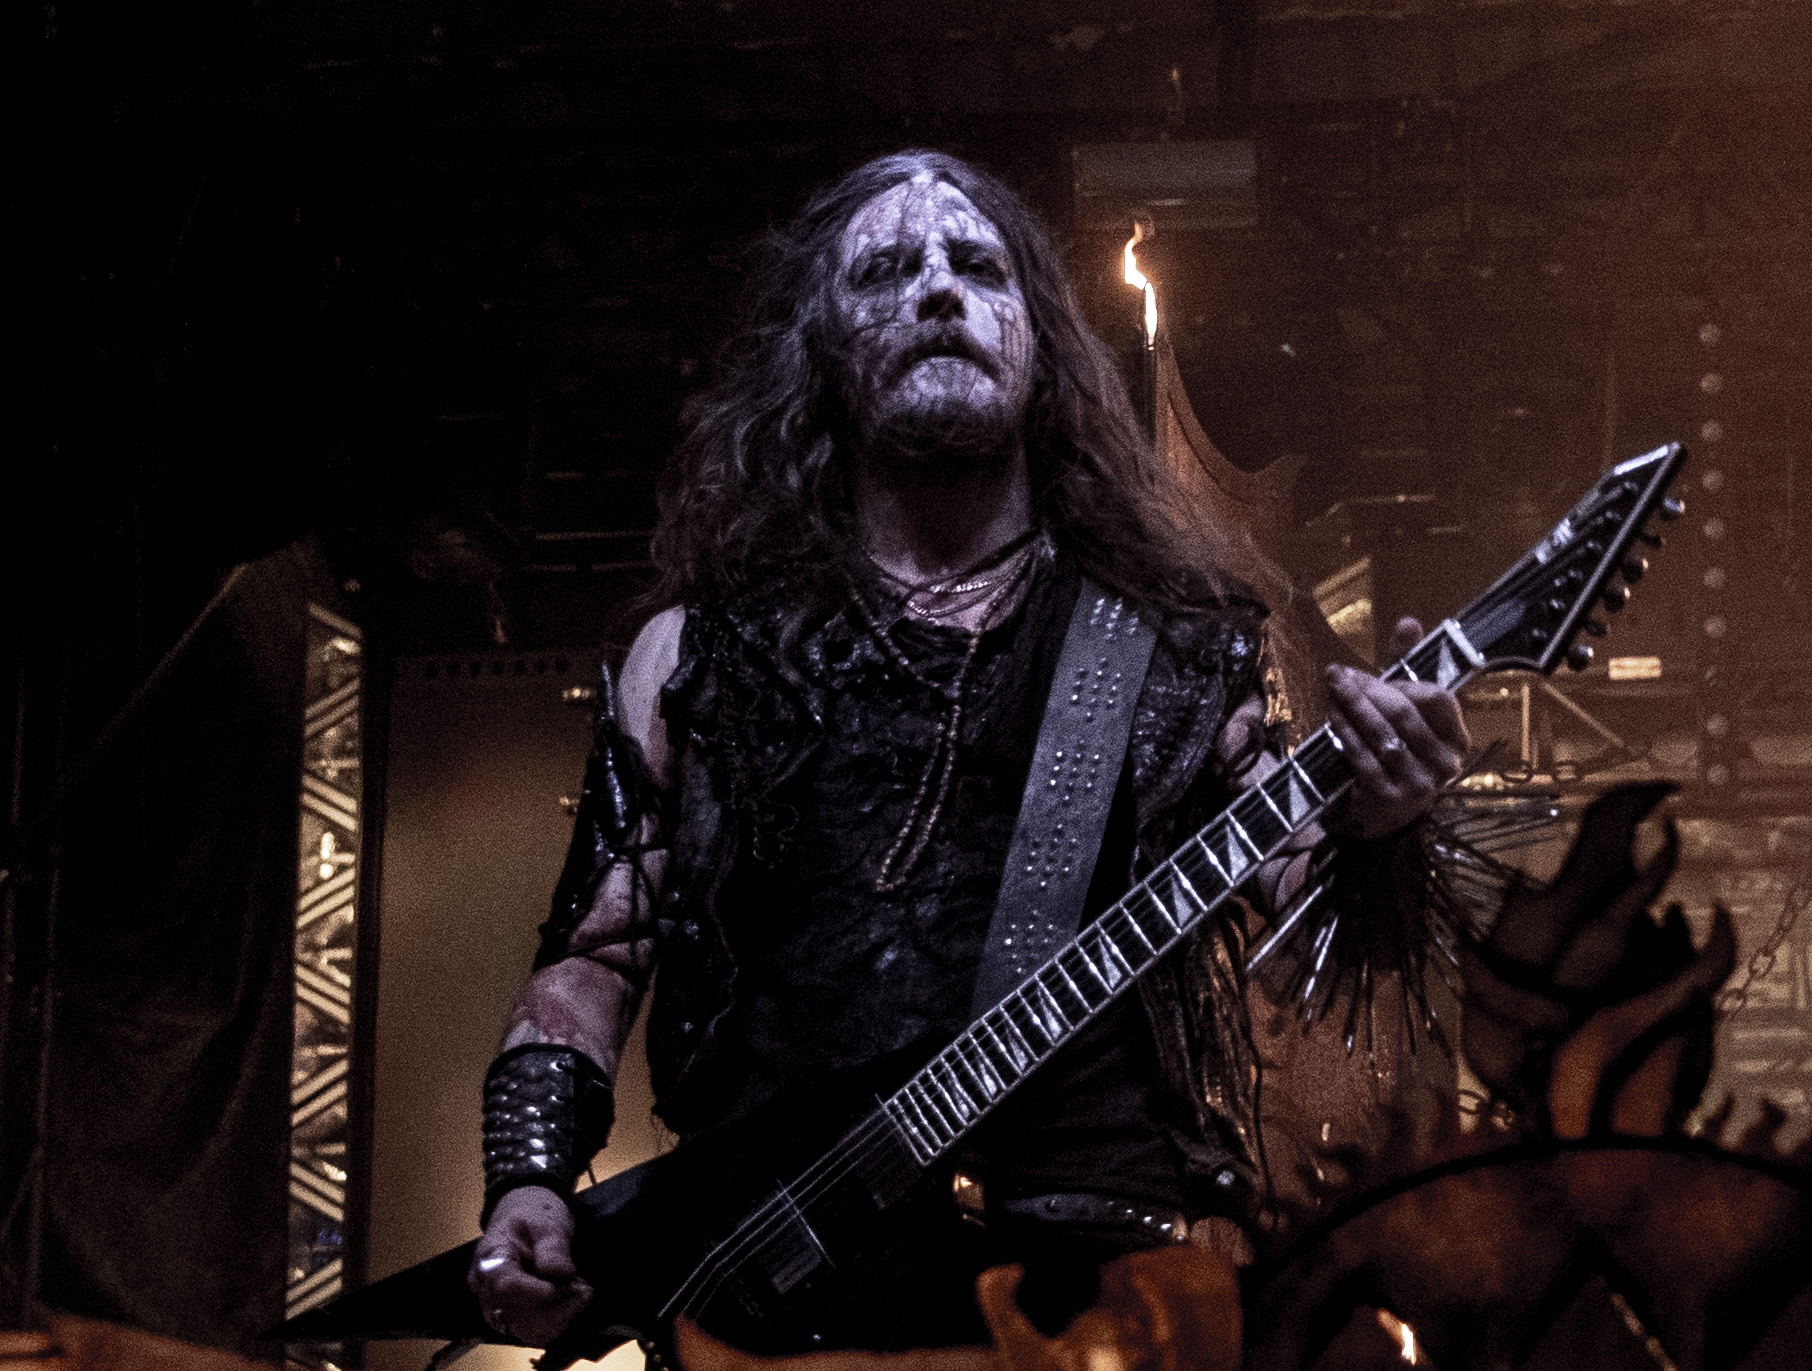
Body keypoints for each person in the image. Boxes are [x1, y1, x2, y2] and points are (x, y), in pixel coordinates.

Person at [466, 151, 1469, 1354]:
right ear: (819, 351)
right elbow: (596, 951)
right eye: (886, 270)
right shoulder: (693, 655)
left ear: (1039, 343)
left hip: (1092, 1296)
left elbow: (1311, 915)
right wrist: (528, 1180)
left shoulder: (1173, 643)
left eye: (979, 267)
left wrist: (1383, 819)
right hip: (778, 1291)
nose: (938, 288)